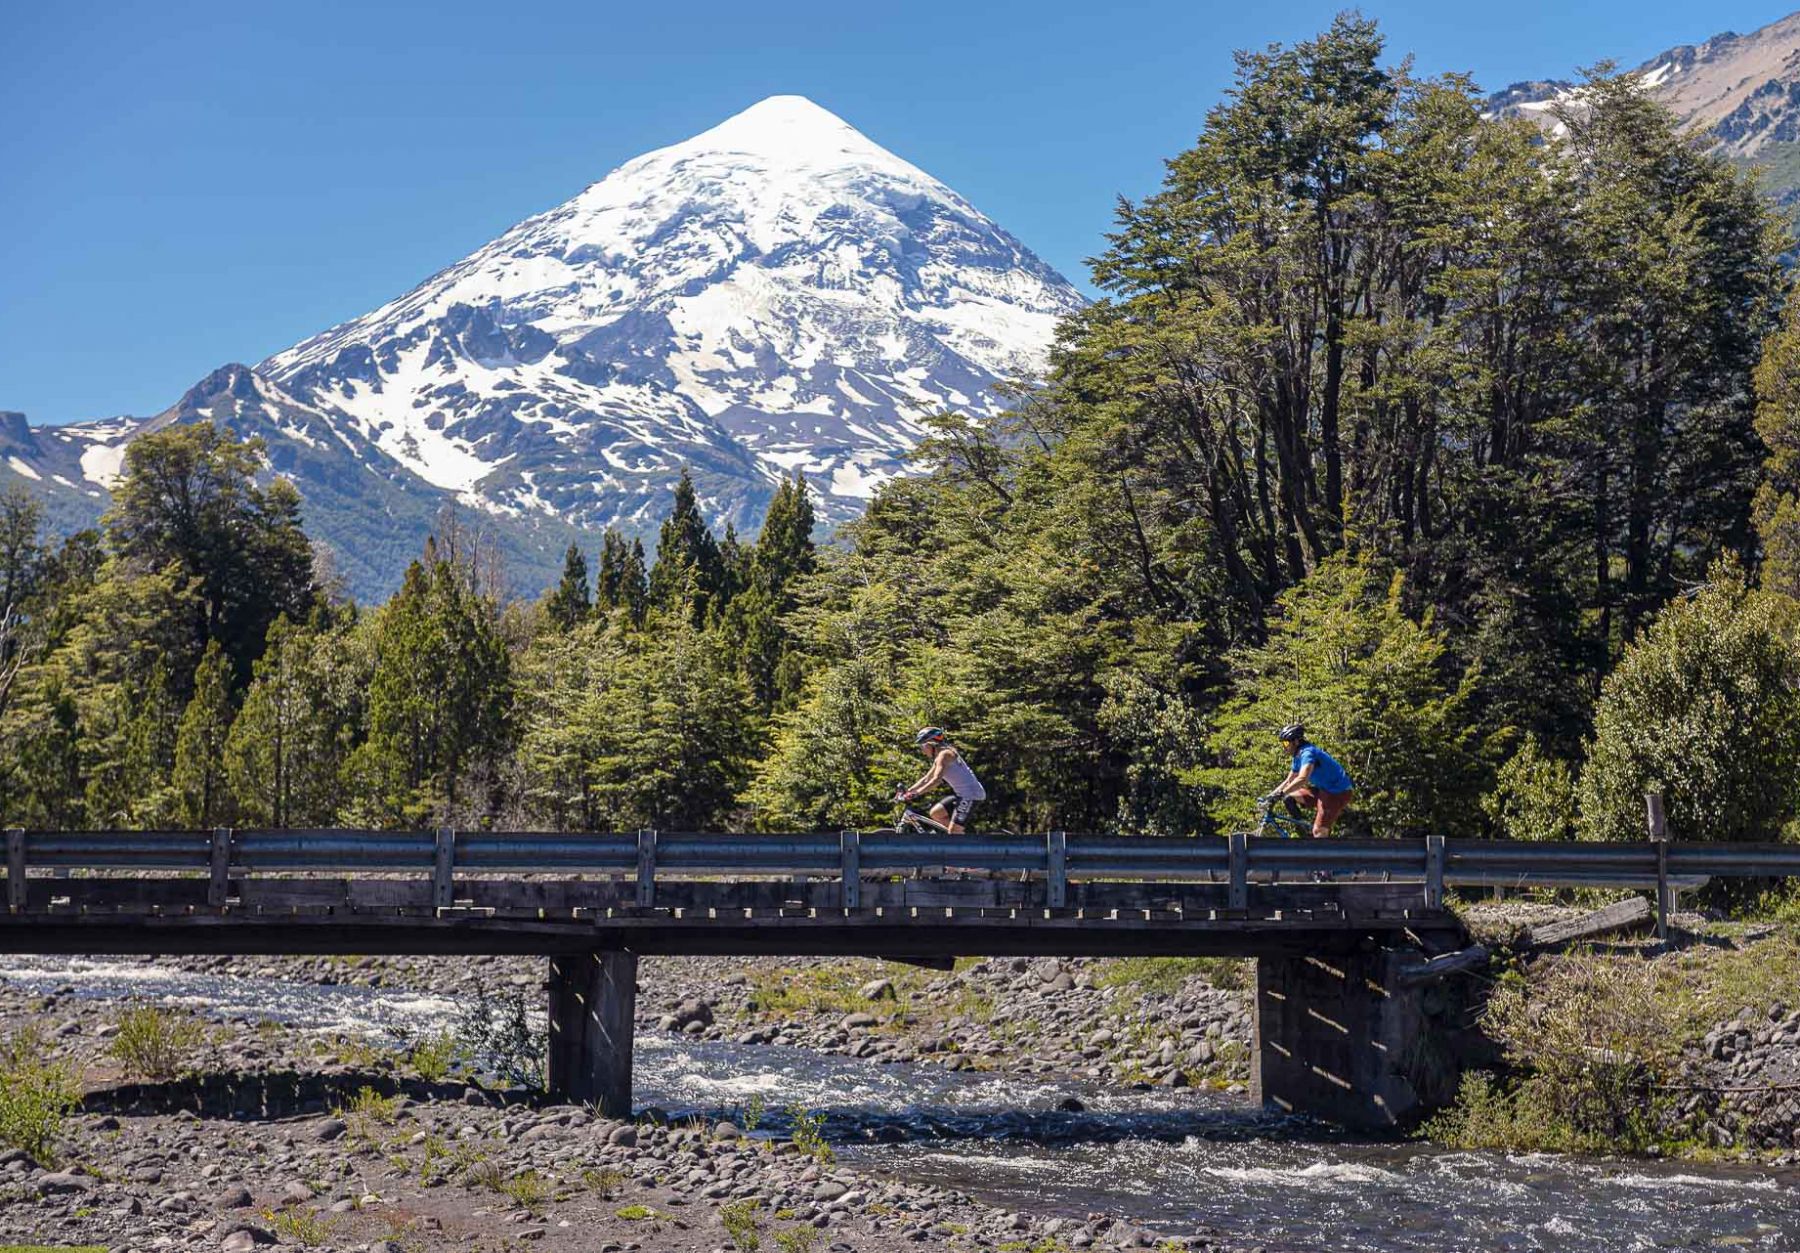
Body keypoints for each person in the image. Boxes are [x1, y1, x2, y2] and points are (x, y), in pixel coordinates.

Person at [1267, 723, 1354, 837]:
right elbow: (1289, 781)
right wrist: (1270, 796)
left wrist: (1281, 793)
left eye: (1286, 743)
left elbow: (1302, 779)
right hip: (1324, 790)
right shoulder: (1297, 757)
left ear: (1296, 742)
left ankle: (1319, 841)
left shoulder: (1308, 753)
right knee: (1289, 797)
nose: (1284, 746)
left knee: (1318, 832)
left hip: (1337, 792)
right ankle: (1305, 833)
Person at [898, 727, 986, 834]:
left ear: (931, 744)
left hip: (971, 795)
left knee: (953, 831)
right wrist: (908, 791)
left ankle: (958, 836)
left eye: (922, 745)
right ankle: (962, 835)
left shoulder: (944, 755)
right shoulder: (940, 756)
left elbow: (936, 780)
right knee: (936, 813)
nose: (922, 750)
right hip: (963, 794)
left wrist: (916, 793)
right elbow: (926, 778)